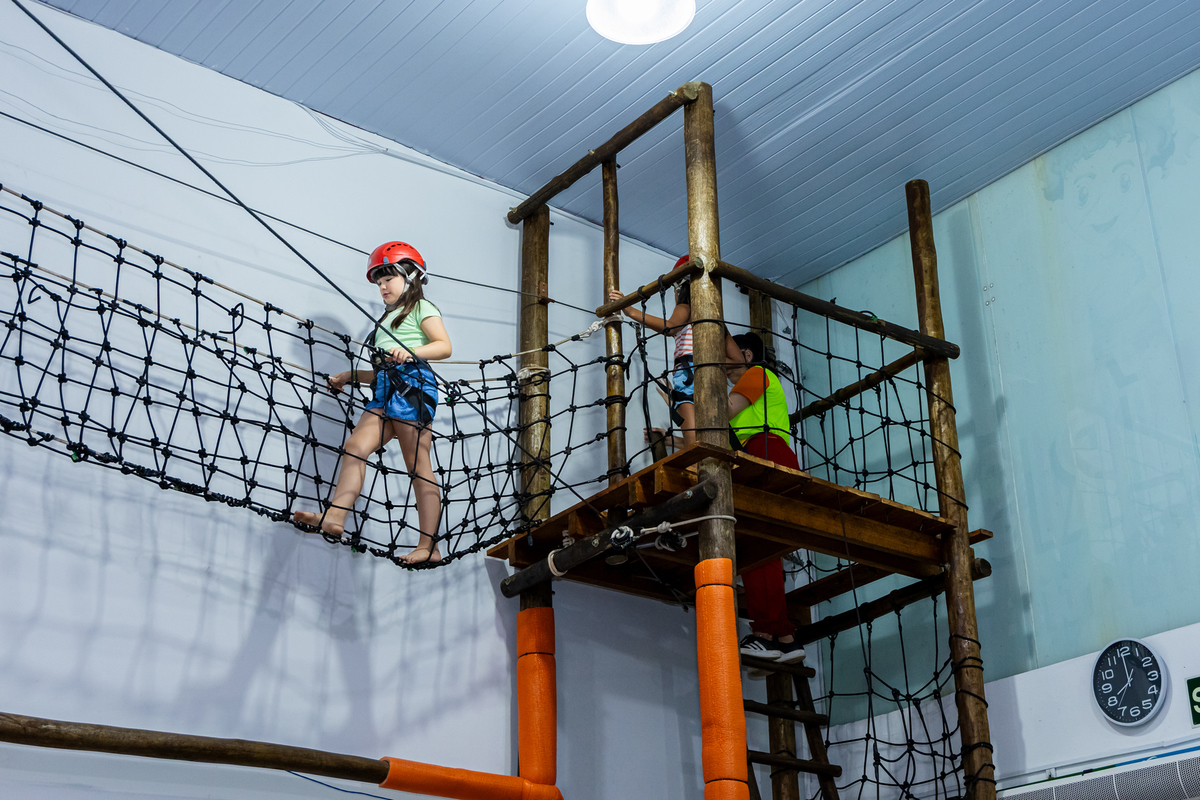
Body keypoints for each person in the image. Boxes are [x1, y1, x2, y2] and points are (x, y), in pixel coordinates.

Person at [293, 241, 452, 565]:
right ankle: (335, 517)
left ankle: (429, 546)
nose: (381, 287)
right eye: (378, 282)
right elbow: (383, 369)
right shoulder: (385, 320)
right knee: (355, 445)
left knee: (418, 467)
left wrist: (412, 352)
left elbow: (444, 346)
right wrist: (351, 375)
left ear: (409, 277)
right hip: (384, 390)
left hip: (413, 387)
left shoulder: (422, 308)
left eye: (387, 279)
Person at [609, 254, 744, 449]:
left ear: (680, 287)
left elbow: (670, 327)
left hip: (688, 377)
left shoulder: (685, 306)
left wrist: (631, 311)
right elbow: (738, 361)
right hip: (713, 379)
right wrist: (711, 358)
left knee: (694, 440)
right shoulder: (716, 322)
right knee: (713, 434)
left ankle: (696, 468)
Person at [727, 331, 805, 664]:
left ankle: (767, 632)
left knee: (759, 545)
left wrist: (687, 398)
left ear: (746, 355)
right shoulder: (745, 387)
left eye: (727, 356)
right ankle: (783, 637)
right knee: (760, 545)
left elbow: (726, 412)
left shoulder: (757, 373)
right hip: (755, 454)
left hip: (767, 452)